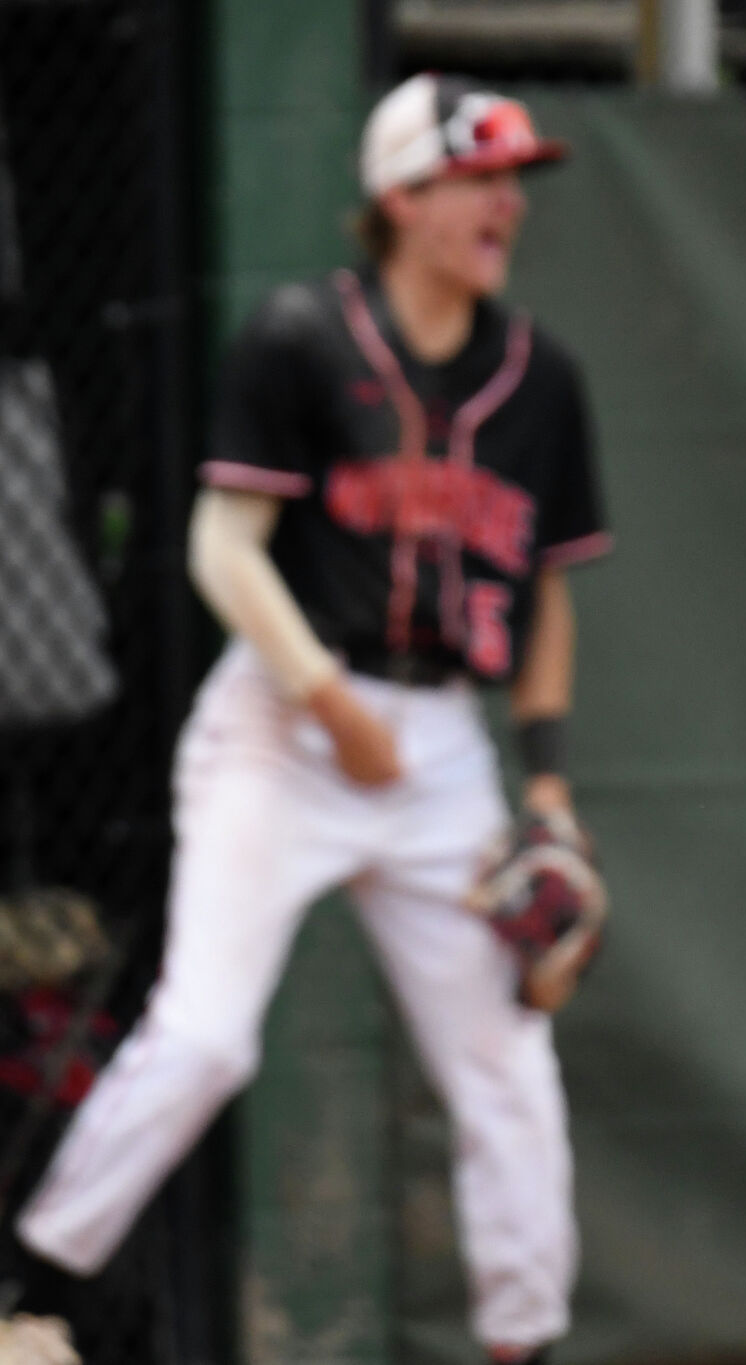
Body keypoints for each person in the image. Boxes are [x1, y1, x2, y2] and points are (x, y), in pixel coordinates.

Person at [12, 73, 609, 1365]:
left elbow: (548, 596)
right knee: (206, 1036)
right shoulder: (299, 337)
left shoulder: (541, 378)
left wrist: (547, 788)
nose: (507, 201)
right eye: (480, 176)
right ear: (402, 198)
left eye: (515, 178)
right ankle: (33, 1284)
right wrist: (329, 702)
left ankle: (525, 1345)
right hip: (283, 730)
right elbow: (224, 550)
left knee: (506, 1066)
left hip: (442, 748)